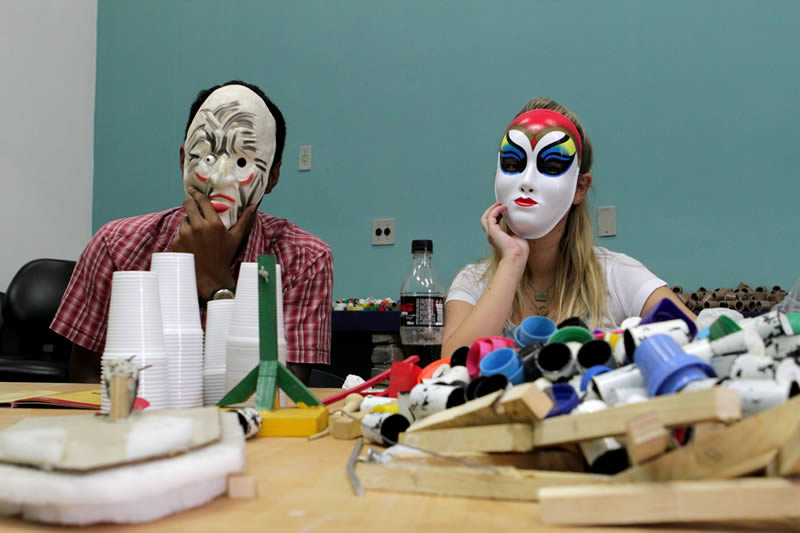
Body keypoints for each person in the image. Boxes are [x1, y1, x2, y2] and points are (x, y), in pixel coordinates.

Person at [52, 80, 333, 384]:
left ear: (273, 176)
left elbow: (279, 391)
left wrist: (217, 284)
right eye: (207, 157)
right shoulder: (117, 246)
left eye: (242, 161)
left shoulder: (304, 260)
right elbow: (85, 377)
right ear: (183, 159)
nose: (220, 179)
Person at [442, 97, 694, 358]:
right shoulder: (474, 283)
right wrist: (512, 262)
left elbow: (699, 338)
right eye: (514, 164)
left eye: (550, 167)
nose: (527, 181)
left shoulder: (618, 275)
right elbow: (451, 366)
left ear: (580, 188)